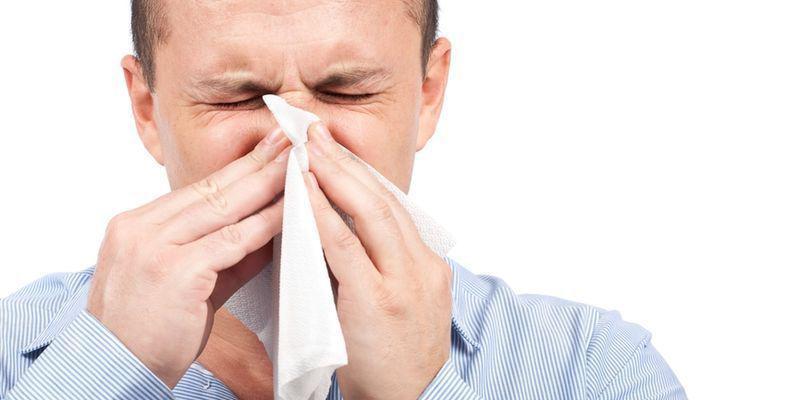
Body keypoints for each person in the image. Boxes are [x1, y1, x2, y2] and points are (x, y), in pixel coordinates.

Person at [0, 1, 687, 399]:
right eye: (235, 97)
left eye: (348, 91)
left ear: (427, 94)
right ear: (148, 110)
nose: (296, 143)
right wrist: (105, 371)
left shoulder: (592, 369)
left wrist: (419, 391)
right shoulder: (13, 358)